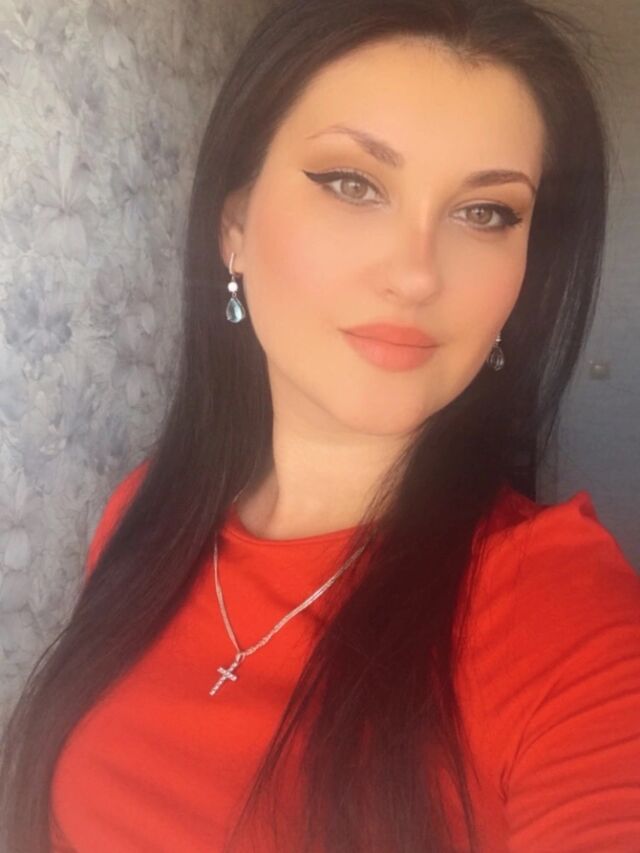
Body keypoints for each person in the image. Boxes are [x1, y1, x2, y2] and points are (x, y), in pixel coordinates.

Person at [1, 0, 639, 850]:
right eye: (352, 183)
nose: (416, 275)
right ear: (234, 228)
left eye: (486, 212)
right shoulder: (141, 515)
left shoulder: (557, 611)